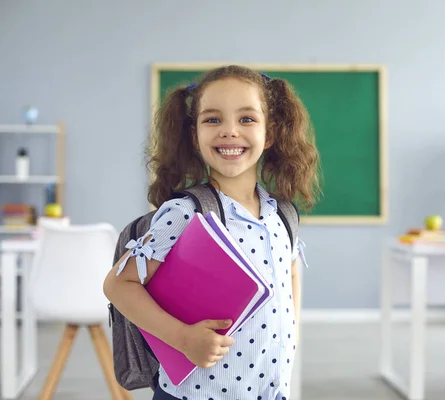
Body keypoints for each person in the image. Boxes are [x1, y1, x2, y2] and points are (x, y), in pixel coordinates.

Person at [103, 65, 320, 400]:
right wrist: (183, 339)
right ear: (195, 136)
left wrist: (288, 339)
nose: (229, 131)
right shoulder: (186, 213)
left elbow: (290, 274)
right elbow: (118, 284)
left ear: (270, 133)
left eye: (247, 119)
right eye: (212, 119)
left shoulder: (282, 214)